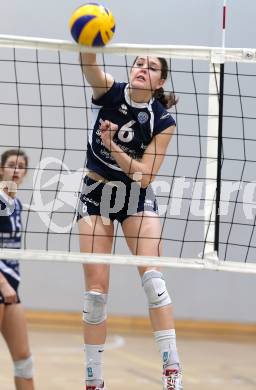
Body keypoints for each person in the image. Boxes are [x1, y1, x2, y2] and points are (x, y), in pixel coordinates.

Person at [78, 53, 183, 390]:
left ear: (160, 82)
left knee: (154, 281)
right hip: (96, 192)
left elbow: (145, 177)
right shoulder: (110, 91)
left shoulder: (162, 120)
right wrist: (87, 42)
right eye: (139, 63)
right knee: (95, 294)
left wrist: (112, 145)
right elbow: (89, 65)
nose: (142, 69)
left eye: (152, 68)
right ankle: (93, 380)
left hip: (135, 194)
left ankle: (172, 374)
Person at [0, 149, 35, 390]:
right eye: (11, 165)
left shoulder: (17, 204)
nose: (16, 170)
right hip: (2, 283)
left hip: (12, 285)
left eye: (21, 166)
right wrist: (2, 284)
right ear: (1, 169)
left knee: (24, 359)